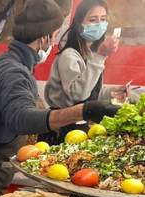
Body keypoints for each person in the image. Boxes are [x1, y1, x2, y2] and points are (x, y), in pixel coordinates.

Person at [0, 0, 120, 197]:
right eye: (54, 35)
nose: (52, 43)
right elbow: (22, 120)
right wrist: (81, 111)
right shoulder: (12, 71)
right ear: (44, 38)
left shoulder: (7, 61)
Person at [42, 0, 129, 144]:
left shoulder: (89, 54)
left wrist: (109, 93)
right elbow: (77, 95)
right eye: (92, 20)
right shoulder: (69, 56)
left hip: (80, 126)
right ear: (79, 24)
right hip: (61, 128)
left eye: (103, 19)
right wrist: (100, 56)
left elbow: (88, 92)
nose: (99, 24)